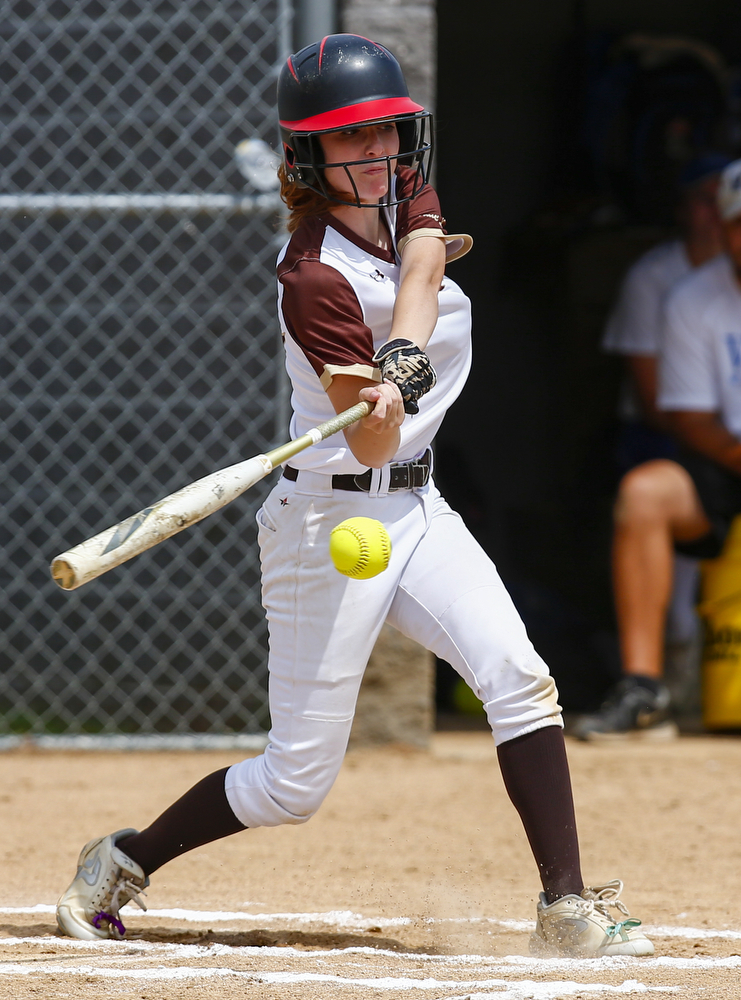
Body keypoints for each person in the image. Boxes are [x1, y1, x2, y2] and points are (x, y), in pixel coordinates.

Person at [55, 33, 652, 958]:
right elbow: (369, 436)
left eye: (384, 133)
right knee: (294, 784)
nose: (374, 154)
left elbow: (421, 263)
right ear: (307, 157)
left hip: (418, 509)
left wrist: (398, 363)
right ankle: (122, 859)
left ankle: (565, 907)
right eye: (348, 141)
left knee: (518, 678)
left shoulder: (404, 194)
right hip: (325, 519)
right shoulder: (312, 278)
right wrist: (377, 396)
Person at [575, 156, 741, 741]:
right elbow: (690, 419)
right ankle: (644, 688)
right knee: (643, 494)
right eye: (740, 223)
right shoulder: (692, 297)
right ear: (722, 229)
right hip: (725, 462)